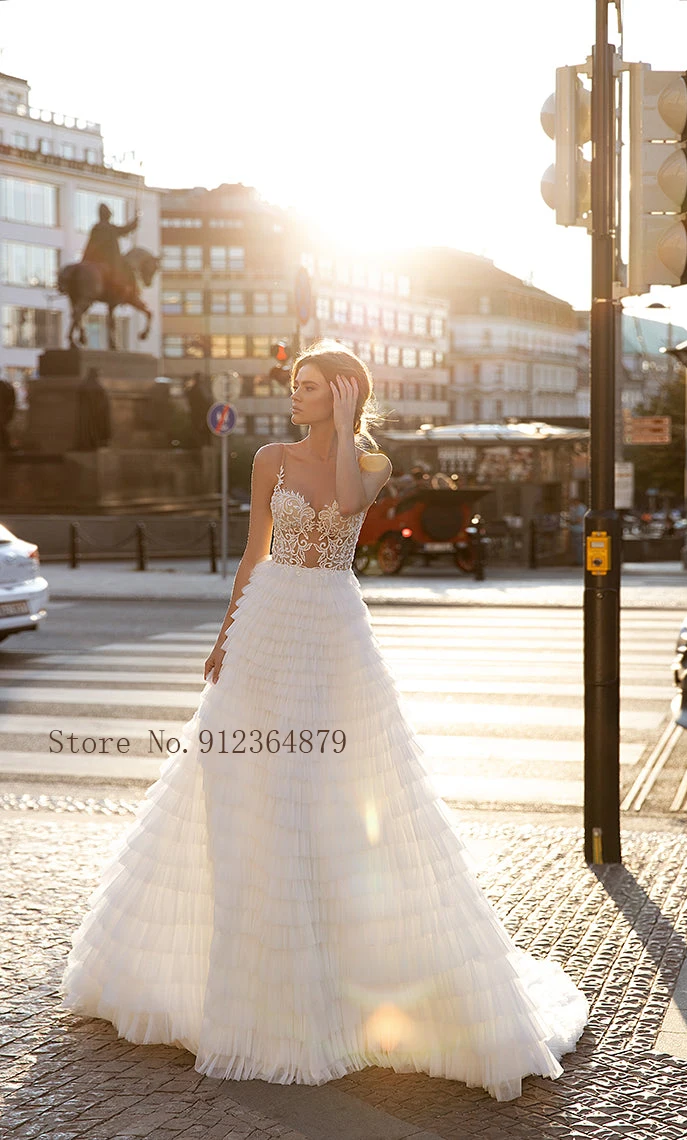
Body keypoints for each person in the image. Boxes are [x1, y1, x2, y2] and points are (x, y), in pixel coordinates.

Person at [59, 340, 589, 1103]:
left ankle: (330, 983)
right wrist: (224, 635)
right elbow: (252, 554)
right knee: (237, 783)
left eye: (311, 388)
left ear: (342, 394)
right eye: (297, 385)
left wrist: (346, 428)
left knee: (327, 792)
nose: (294, 395)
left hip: (331, 630)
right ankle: (239, 979)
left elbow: (344, 508)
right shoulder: (269, 457)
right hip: (267, 622)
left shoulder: (372, 465)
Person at [81, 203, 139, 293]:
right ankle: (130, 291)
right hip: (109, 259)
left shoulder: (96, 227)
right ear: (107, 215)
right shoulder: (109, 228)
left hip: (92, 258)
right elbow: (126, 229)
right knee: (127, 268)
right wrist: (136, 220)